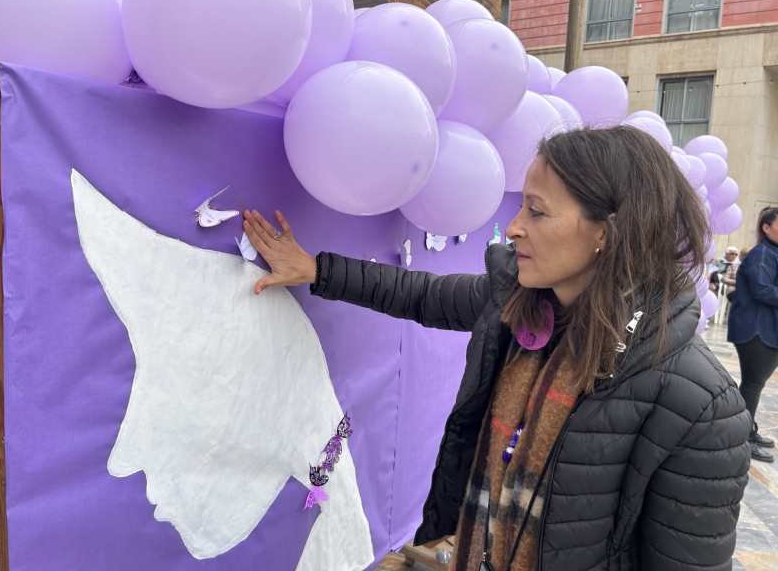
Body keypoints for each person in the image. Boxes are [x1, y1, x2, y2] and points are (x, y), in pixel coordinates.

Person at [243, 127, 750, 571]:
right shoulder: (514, 302)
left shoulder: (699, 404)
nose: (514, 227)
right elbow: (418, 294)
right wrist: (317, 270)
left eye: (537, 210)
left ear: (605, 232)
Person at [728, 207, 778, 463]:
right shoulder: (761, 254)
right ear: (766, 228)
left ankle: (745, 429)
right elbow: (763, 289)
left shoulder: (771, 253)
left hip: (765, 328)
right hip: (755, 329)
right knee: (752, 385)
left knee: (753, 385)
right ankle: (742, 438)